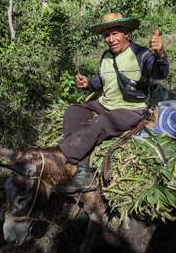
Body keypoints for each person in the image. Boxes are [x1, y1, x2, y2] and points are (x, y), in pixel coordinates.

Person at [58, 12, 169, 193]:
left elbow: (159, 72)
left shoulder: (141, 54)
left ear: (126, 33)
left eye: (115, 33)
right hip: (104, 104)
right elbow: (102, 81)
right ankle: (83, 170)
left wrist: (160, 55)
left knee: (101, 122)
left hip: (131, 110)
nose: (110, 39)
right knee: (73, 111)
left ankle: (63, 157)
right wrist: (87, 84)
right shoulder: (106, 57)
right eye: (107, 35)